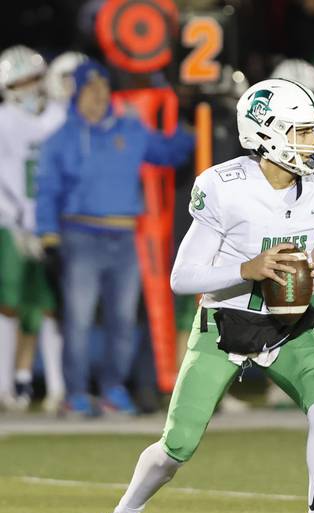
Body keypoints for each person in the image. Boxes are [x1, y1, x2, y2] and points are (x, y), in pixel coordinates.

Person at [90, 78, 314, 513]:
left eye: (312, 131)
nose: (312, 143)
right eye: (300, 132)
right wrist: (248, 269)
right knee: (177, 447)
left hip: (286, 323)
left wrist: (311, 275)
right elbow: (181, 277)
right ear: (265, 134)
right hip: (225, 321)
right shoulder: (223, 187)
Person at [35, 60, 194, 416]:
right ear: (76, 91)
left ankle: (112, 389)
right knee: (78, 320)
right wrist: (47, 235)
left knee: (122, 320)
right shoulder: (62, 137)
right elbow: (47, 189)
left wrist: (190, 119)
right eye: (90, 88)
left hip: (124, 237)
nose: (98, 94)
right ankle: (76, 393)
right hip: (80, 235)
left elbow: (169, 153)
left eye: (103, 87)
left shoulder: (130, 129)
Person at [0, 45, 66, 412]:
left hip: (52, 224)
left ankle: (57, 388)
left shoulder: (59, 115)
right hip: (12, 226)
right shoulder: (3, 120)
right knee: (8, 305)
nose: (27, 87)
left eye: (32, 78)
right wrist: (15, 220)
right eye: (19, 81)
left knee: (52, 307)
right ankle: (4, 387)